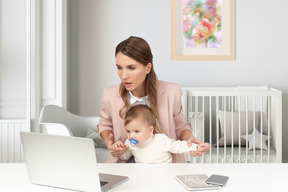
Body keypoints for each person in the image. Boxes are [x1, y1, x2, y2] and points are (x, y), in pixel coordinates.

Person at [97, 36, 208, 163]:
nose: (123, 75)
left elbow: (180, 126)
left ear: (148, 68)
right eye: (119, 67)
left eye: (131, 68)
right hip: (124, 163)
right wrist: (109, 142)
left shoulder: (172, 92)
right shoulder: (110, 94)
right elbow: (104, 125)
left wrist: (189, 138)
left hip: (164, 165)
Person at [113, 105, 210, 163]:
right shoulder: (130, 143)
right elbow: (124, 156)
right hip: (143, 175)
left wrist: (196, 147)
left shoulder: (160, 140)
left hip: (164, 174)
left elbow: (178, 146)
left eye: (136, 131)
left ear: (150, 130)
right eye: (128, 131)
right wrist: (119, 149)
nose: (131, 136)